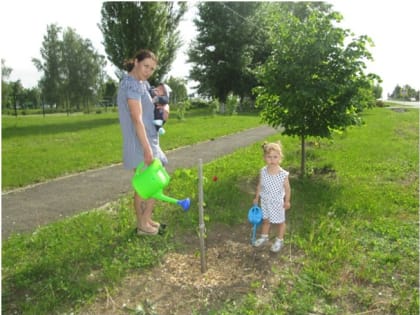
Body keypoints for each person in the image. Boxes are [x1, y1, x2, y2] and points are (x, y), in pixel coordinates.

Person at [117, 49, 168, 236]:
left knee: (155, 182)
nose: (148, 71)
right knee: (147, 184)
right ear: (136, 62)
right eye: (146, 66)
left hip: (149, 140)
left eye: (152, 69)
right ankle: (142, 225)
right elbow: (136, 118)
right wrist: (147, 149)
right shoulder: (131, 85)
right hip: (139, 142)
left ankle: (146, 219)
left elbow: (152, 108)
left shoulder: (142, 83)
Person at [253, 141, 291, 252]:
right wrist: (256, 197)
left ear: (280, 158)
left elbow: (288, 189)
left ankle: (279, 240)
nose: (272, 160)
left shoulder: (282, 174)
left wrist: (287, 201)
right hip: (265, 201)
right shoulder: (263, 171)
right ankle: (264, 237)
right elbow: (260, 185)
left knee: (280, 222)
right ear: (264, 158)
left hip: (278, 203)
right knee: (266, 220)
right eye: (269, 157)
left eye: (275, 157)